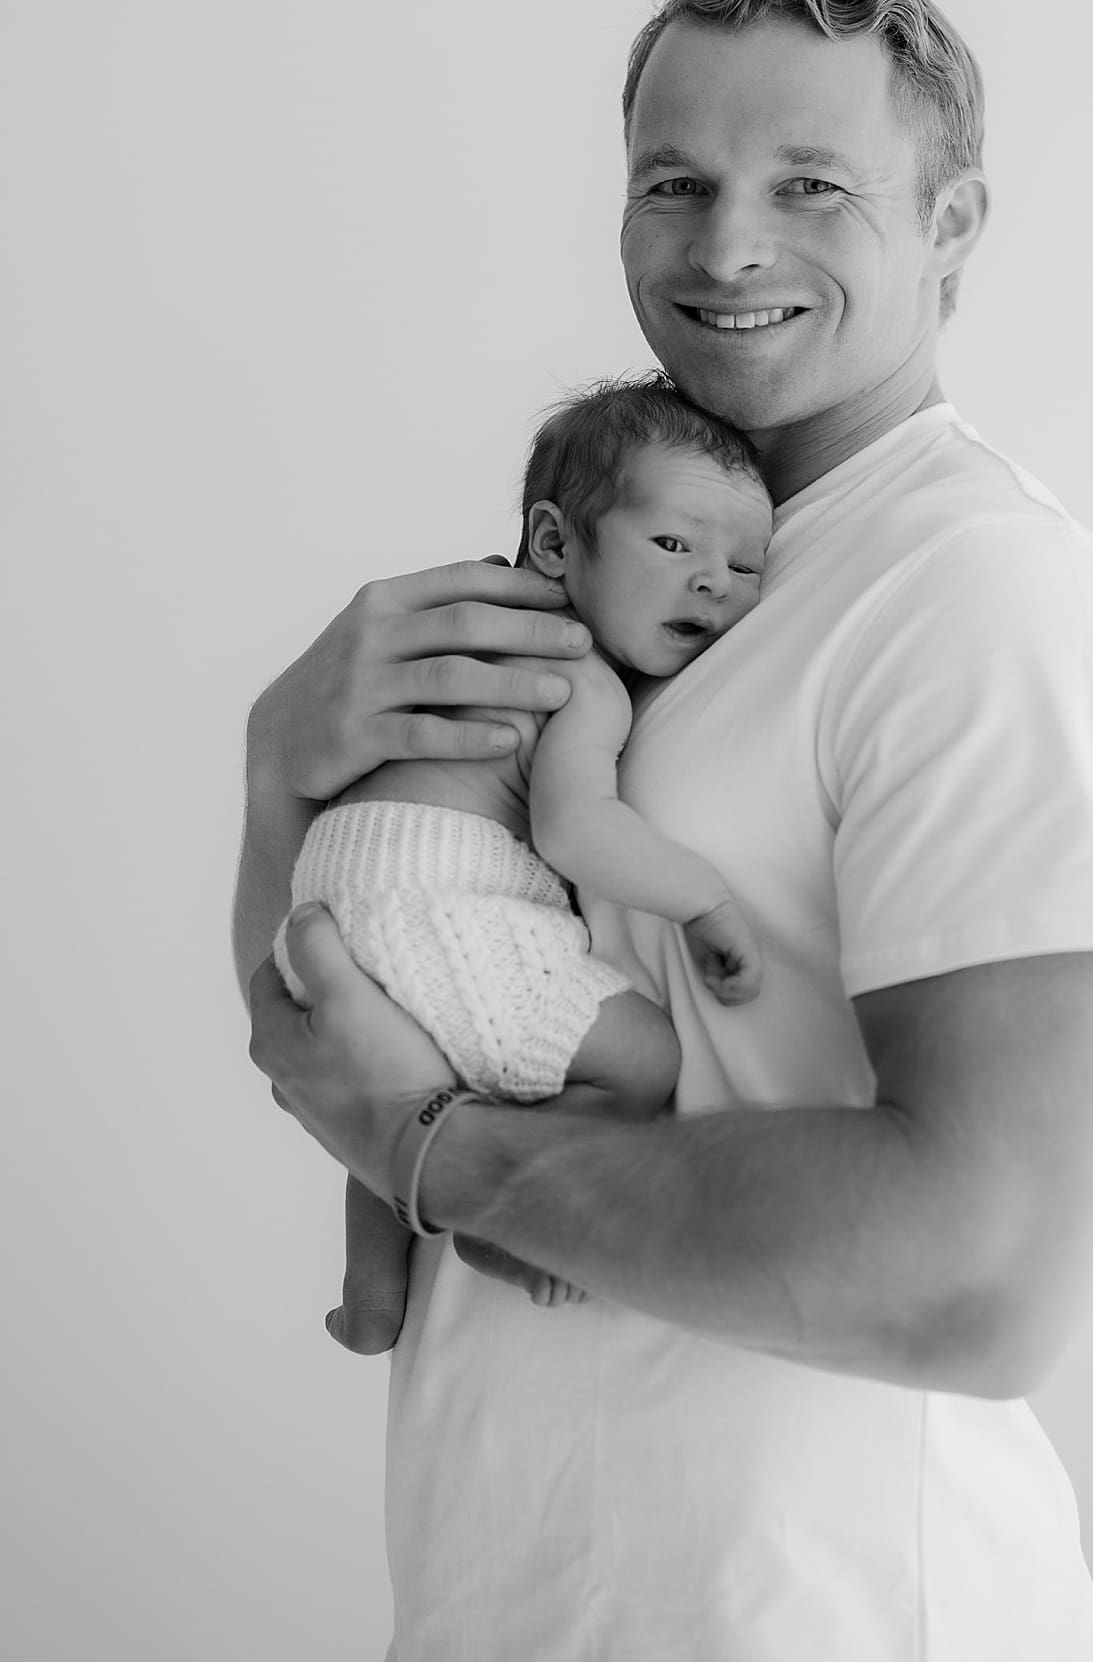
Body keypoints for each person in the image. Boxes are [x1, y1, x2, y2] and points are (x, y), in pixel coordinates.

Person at [241, 0, 1093, 1662]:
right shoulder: (636, 559)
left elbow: (986, 1269)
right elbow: (325, 1026)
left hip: (819, 1642)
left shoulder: (988, 600)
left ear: (956, 222)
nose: (726, 246)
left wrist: (447, 1164)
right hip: (513, 1614)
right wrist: (275, 774)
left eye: (812, 185)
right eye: (674, 181)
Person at [272, 375, 774, 1349]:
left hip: (331, 897)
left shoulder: (454, 631)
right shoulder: (579, 675)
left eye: (746, 565)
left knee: (397, 1080)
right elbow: (576, 832)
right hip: (436, 897)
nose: (713, 580)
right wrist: (703, 900)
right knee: (641, 1060)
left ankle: (372, 1299)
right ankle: (506, 1221)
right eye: (675, 545)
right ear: (553, 543)